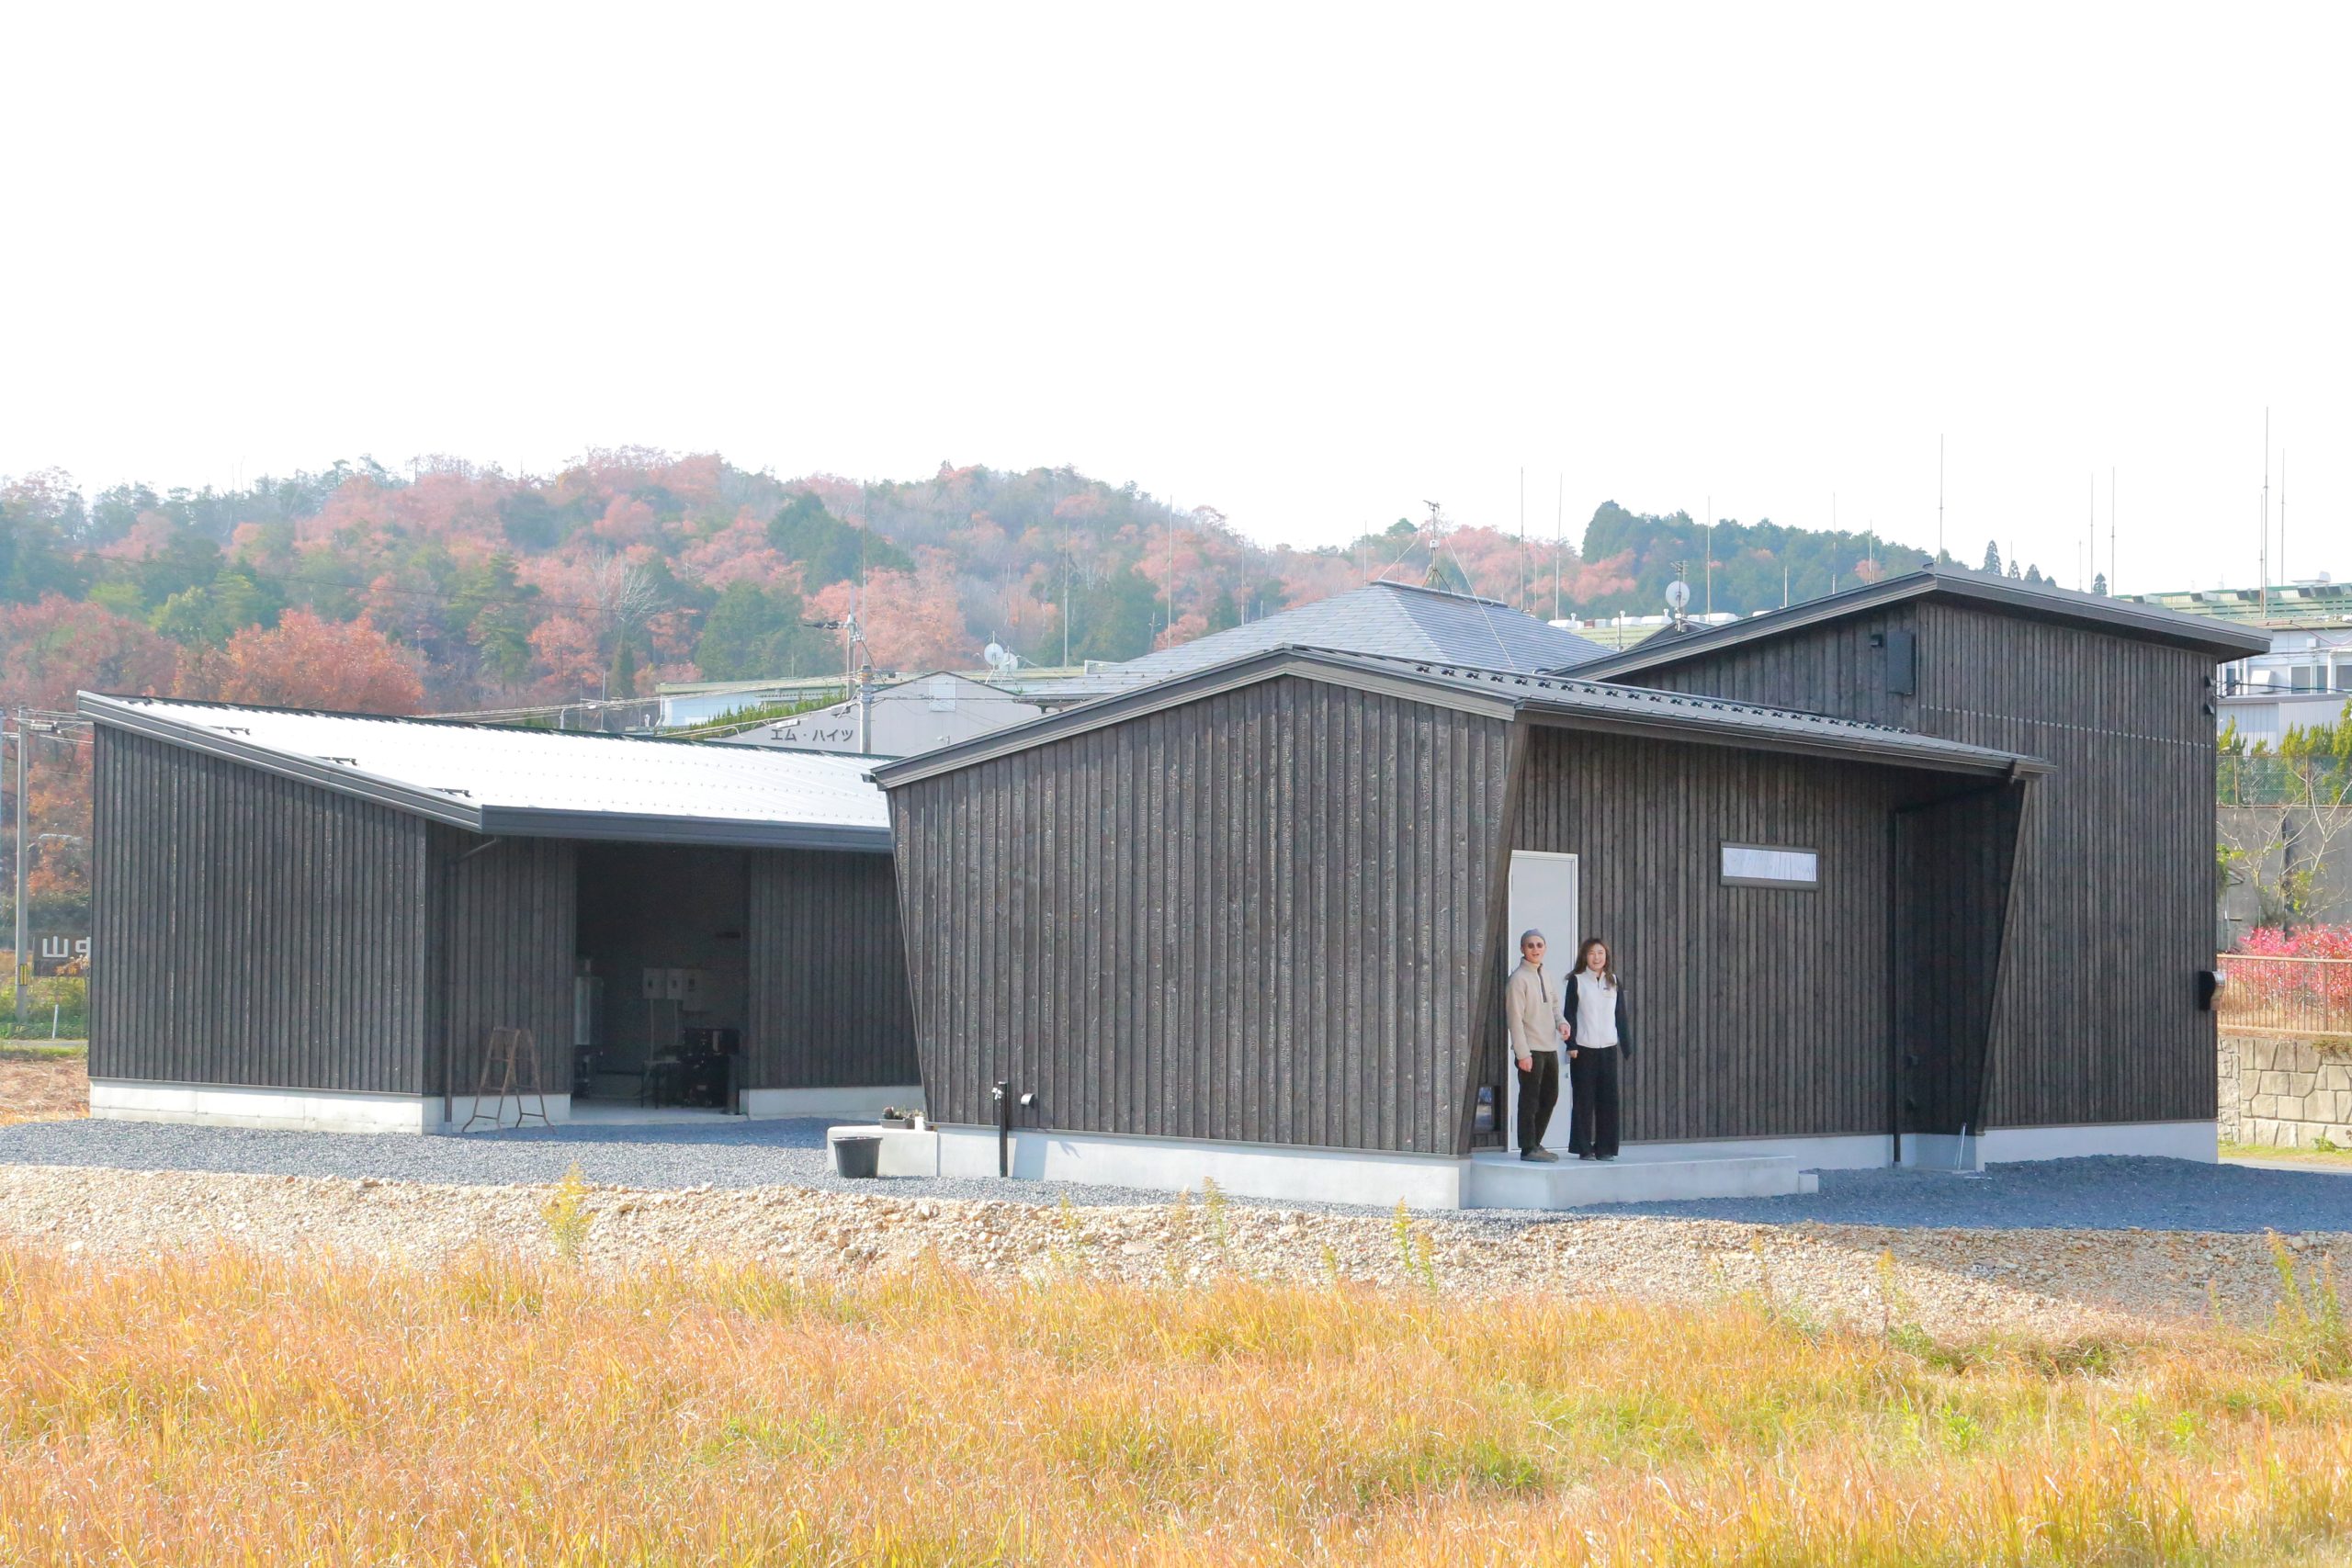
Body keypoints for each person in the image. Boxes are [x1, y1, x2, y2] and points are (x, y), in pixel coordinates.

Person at [1563, 936, 1633, 1161]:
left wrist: (1626, 1045)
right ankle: (1584, 1148)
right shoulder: (1577, 980)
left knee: (1608, 1100)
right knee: (1584, 1100)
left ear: (1606, 956)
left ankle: (1605, 1148)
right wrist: (1570, 1043)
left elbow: (1620, 1015)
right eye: (1592, 953)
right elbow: (1570, 1013)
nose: (1596, 957)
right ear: (1585, 956)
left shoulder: (1613, 980)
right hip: (1584, 1049)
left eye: (1600, 953)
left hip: (1608, 1048)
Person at [1504, 929, 1565, 1161]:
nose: (1535, 949)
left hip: (1549, 1047)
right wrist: (1522, 1053)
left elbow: (1555, 1005)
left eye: (1539, 945)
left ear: (1545, 948)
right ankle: (1527, 1148)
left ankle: (1536, 1143)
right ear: (1522, 949)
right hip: (1530, 1049)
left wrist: (1562, 1023)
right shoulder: (1518, 979)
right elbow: (1514, 1019)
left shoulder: (1546, 975)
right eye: (1530, 945)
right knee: (1530, 1099)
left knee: (1550, 1096)